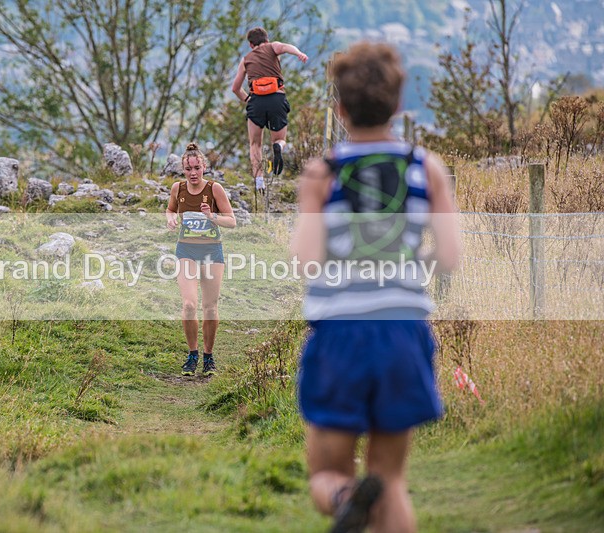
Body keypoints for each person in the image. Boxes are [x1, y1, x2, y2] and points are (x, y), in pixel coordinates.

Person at [290, 42, 461, 533]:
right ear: (399, 105)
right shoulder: (425, 168)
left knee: (326, 473)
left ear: (339, 108)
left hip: (340, 336)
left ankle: (345, 497)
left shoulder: (323, 172)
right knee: (390, 479)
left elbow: (305, 260)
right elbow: (449, 257)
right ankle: (364, 498)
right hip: (402, 333)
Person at [166, 143, 236, 376]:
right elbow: (170, 209)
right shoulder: (178, 188)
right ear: (183, 170)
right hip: (186, 250)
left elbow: (232, 221)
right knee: (188, 305)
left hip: (212, 252)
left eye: (197, 168)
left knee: (210, 307)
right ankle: (192, 354)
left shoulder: (215, 189)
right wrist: (170, 219)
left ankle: (208, 356)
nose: (193, 173)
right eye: (188, 169)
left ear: (204, 167)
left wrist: (212, 216)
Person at [231, 27, 308, 193]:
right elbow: (287, 47)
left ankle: (259, 182)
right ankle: (279, 147)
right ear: (266, 40)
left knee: (255, 144)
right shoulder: (273, 47)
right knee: (279, 139)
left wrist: (248, 99)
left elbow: (235, 88)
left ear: (251, 45)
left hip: (256, 101)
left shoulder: (245, 60)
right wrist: (299, 53)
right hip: (276, 98)